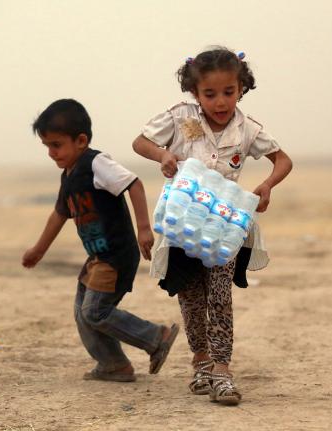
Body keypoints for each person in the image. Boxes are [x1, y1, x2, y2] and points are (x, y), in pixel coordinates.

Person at [132, 47, 293, 404]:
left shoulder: (247, 128)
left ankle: (222, 370)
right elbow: (140, 141)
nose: (220, 102)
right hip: (183, 223)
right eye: (210, 94)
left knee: (220, 296)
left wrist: (267, 185)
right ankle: (201, 362)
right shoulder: (179, 118)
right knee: (191, 296)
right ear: (194, 92)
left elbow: (282, 160)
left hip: (224, 226)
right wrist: (163, 154)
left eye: (229, 92)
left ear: (241, 88)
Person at [23, 99, 179, 382]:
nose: (51, 152)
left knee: (95, 312)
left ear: (81, 140)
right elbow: (59, 215)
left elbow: (134, 184)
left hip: (116, 255)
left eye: (56, 145)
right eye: (47, 146)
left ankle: (157, 337)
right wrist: (38, 250)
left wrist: (144, 228)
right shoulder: (68, 176)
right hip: (97, 257)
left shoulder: (95, 163)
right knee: (83, 313)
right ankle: (113, 364)